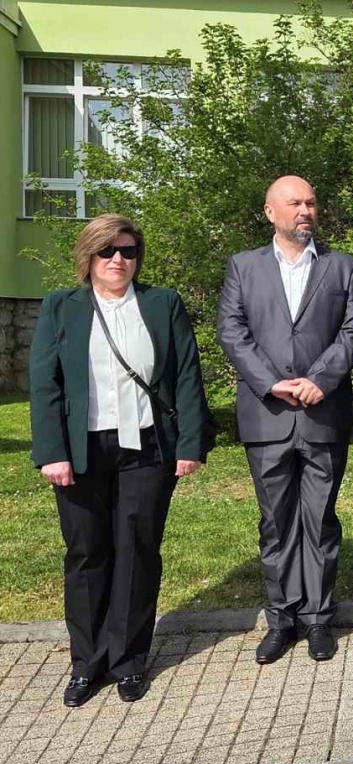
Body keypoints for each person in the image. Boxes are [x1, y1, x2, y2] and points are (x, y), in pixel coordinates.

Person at [30, 214, 211, 707]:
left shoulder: (161, 303)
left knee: (137, 549)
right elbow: (45, 384)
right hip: (81, 450)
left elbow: (186, 374)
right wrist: (52, 452)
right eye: (107, 251)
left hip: (147, 447)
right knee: (86, 552)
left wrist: (190, 443)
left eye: (128, 251)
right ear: (88, 257)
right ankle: (87, 664)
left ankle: (129, 660)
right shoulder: (61, 306)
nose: (118, 260)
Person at [217, 176, 353, 665]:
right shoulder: (244, 267)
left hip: (323, 413)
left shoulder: (343, 267)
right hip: (268, 415)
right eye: (294, 203)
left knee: (320, 520)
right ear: (270, 212)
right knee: (276, 522)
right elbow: (232, 331)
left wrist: (320, 379)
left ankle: (320, 619)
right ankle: (282, 618)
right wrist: (272, 383)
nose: (305, 210)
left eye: (310, 202)